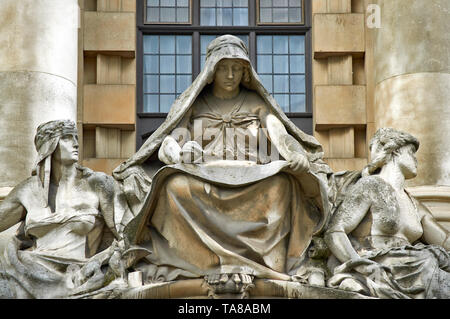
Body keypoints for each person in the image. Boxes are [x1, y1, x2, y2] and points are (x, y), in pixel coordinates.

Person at [113, 35, 333, 284]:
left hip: (254, 177)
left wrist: (297, 155)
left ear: (245, 72)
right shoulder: (194, 105)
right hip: (204, 175)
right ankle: (200, 261)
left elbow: (279, 133)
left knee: (282, 185)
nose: (230, 75)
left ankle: (272, 265)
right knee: (174, 187)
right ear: (211, 70)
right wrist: (181, 154)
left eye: (237, 69)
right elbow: (168, 144)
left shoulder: (255, 103)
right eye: (224, 68)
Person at [0, 120, 135, 298]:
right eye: (67, 138)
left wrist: (101, 260)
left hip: (81, 273)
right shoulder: (28, 190)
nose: (76, 143)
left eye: (76, 137)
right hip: (25, 270)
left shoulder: (98, 183)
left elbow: (129, 235)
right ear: (49, 145)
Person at [325, 127, 450, 299]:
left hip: (414, 264)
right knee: (430, 266)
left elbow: (445, 241)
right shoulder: (371, 185)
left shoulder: (415, 204)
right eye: (412, 153)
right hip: (381, 265)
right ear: (396, 152)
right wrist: (361, 265)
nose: (416, 160)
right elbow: (335, 231)